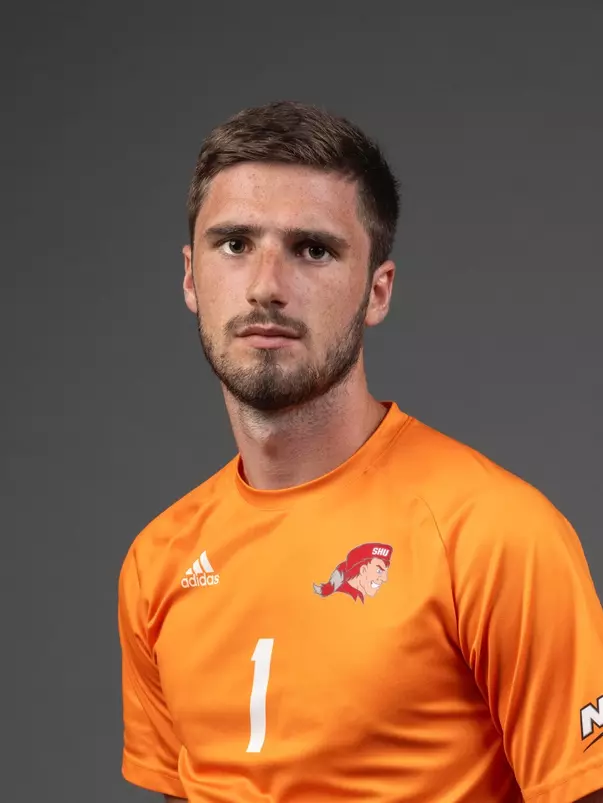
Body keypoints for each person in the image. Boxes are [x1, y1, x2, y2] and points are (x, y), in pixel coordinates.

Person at [117, 100, 603, 803]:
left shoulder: (495, 535)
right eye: (234, 244)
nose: (266, 287)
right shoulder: (157, 560)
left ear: (376, 291)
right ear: (191, 277)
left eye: (312, 249)